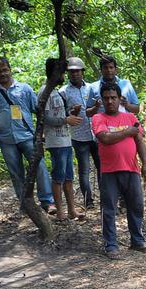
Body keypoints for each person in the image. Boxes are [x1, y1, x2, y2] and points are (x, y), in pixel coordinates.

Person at [0, 56, 54, 212]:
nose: (3, 74)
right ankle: (26, 204)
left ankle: (47, 201)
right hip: (6, 140)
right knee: (16, 173)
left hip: (27, 136)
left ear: (10, 70)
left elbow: (38, 110)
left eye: (5, 70)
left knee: (40, 167)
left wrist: (41, 133)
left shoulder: (25, 89)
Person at [91, 83, 146, 257]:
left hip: (131, 168)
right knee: (109, 208)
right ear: (102, 100)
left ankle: (137, 241)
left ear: (120, 99)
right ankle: (111, 245)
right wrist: (129, 131)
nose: (110, 101)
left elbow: (139, 141)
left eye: (113, 98)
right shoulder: (98, 118)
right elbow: (105, 138)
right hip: (109, 171)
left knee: (136, 205)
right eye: (106, 98)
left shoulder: (130, 117)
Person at [42, 60, 81, 221]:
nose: (64, 76)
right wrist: (66, 120)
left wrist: (71, 112)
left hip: (66, 140)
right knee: (58, 177)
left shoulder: (56, 92)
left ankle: (71, 210)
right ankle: (60, 212)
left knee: (68, 178)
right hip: (55, 142)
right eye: (62, 73)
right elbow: (44, 118)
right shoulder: (44, 92)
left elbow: (59, 113)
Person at [62, 57, 99, 210]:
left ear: (83, 72)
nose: (74, 74)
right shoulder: (63, 92)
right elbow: (62, 113)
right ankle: (88, 200)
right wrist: (71, 113)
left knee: (102, 168)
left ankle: (107, 196)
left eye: (77, 71)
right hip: (79, 136)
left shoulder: (91, 88)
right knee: (84, 171)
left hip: (96, 135)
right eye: (71, 72)